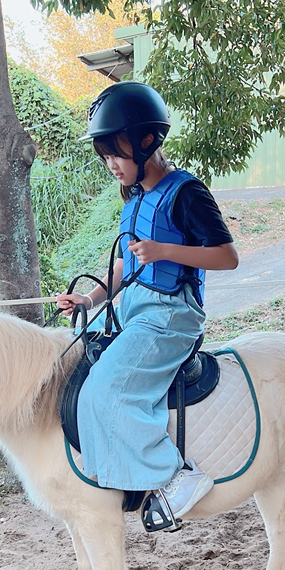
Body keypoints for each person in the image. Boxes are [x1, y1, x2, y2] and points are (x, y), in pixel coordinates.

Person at [56, 82, 238, 530]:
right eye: (105, 157)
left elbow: (227, 257)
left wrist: (164, 252)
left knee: (105, 389)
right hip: (137, 307)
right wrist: (91, 298)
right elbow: (125, 263)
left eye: (115, 153)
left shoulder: (186, 192)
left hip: (173, 314)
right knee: (83, 380)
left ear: (146, 141)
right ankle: (118, 483)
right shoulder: (134, 198)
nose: (111, 165)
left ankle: (176, 478)